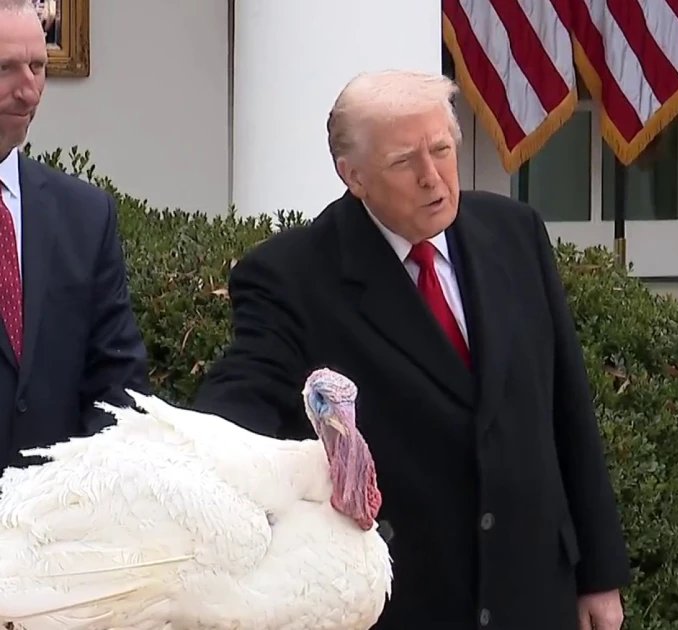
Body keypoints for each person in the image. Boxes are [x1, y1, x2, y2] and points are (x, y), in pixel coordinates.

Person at [191, 69, 630, 629]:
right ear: (353, 175)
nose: (432, 177)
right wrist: (186, 454)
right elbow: (240, 406)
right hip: (406, 600)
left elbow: (568, 409)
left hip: (534, 590)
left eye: (442, 150)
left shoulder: (514, 232)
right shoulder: (291, 276)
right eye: (404, 161)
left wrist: (599, 573)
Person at [0, 0, 149, 472]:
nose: (29, 92)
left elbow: (117, 379)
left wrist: (83, 488)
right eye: (5, 69)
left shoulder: (85, 214)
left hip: (58, 504)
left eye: (38, 66)